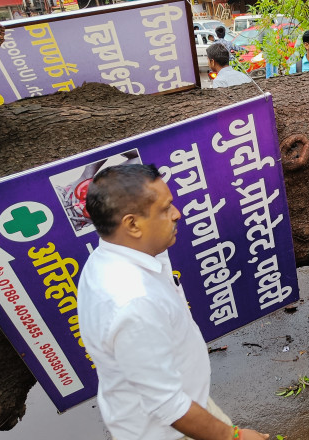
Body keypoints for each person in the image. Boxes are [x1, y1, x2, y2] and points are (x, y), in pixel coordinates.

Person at [78, 164, 269, 440]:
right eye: (165, 208)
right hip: (169, 431)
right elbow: (168, 406)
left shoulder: (117, 254)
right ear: (132, 225)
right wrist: (233, 437)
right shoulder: (134, 303)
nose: (177, 213)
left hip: (187, 403)